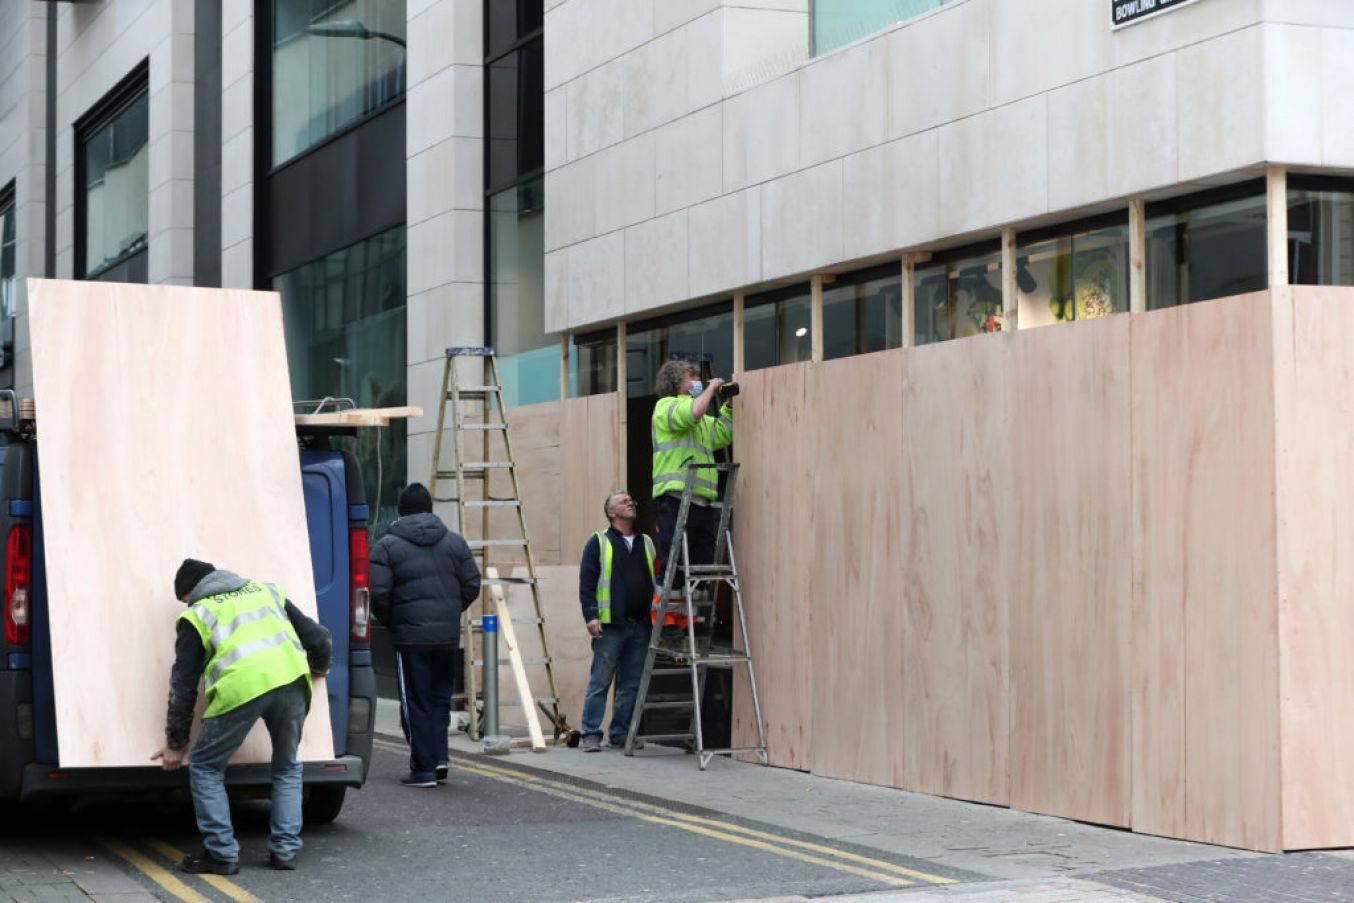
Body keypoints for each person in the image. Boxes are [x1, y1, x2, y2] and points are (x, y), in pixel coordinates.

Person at [152, 558, 332, 875]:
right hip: (291, 680)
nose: (186, 604)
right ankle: (285, 852)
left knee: (206, 766)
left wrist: (176, 743)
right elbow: (318, 637)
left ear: (192, 591)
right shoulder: (267, 592)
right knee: (288, 767)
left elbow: (183, 685)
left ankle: (221, 854)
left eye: (185, 599)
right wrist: (319, 666)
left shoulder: (197, 615)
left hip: (241, 688)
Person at [370, 482, 481, 787]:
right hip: (445, 636)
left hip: (410, 638)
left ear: (401, 511)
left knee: (415, 702)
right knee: (439, 699)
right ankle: (440, 758)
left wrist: (395, 621)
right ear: (430, 509)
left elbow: (377, 593)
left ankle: (423, 769)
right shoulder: (455, 543)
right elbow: (472, 584)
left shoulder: (387, 546)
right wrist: (449, 612)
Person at [651, 360, 733, 615]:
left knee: (700, 564)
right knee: (673, 564)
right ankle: (666, 620)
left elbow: (722, 435)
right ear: (677, 382)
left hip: (701, 500)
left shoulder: (700, 416)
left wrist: (729, 407)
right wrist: (711, 390)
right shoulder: (666, 407)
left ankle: (692, 620)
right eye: (692, 377)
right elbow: (692, 414)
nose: (697, 380)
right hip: (675, 497)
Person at [577, 491, 657, 752]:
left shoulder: (646, 542)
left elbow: (655, 580)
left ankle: (620, 733)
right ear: (612, 513)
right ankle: (590, 734)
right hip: (610, 625)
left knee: (631, 684)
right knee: (600, 681)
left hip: (640, 624)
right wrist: (591, 616)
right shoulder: (598, 542)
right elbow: (587, 583)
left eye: (631, 500)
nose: (631, 502)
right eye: (623, 501)